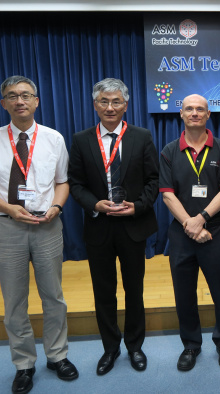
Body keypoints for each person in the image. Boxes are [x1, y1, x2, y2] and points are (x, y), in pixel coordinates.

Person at [0, 75, 78, 394]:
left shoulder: (54, 138)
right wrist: (9, 208)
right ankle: (24, 364)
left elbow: (63, 181)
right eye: (12, 96)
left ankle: (57, 356)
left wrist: (57, 206)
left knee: (53, 296)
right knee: (15, 300)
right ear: (4, 104)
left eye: (26, 95)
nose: (20, 100)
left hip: (47, 225)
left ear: (37, 101)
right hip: (7, 226)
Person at [68, 78, 159, 376]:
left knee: (134, 289)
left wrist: (139, 206)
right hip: (99, 227)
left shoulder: (142, 136)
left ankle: (135, 345)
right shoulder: (81, 139)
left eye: (116, 101)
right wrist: (95, 204)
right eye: (104, 102)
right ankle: (110, 347)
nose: (110, 107)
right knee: (103, 291)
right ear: (95, 105)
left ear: (126, 105)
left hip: (133, 225)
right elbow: (76, 184)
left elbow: (153, 180)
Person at [159, 94, 220, 372]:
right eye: (189, 109)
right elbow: (167, 195)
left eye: (200, 109)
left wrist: (201, 220)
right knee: (184, 294)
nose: (194, 113)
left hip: (214, 232)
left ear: (208, 115)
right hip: (181, 235)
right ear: (180, 114)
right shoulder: (169, 151)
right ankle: (191, 345)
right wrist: (190, 226)